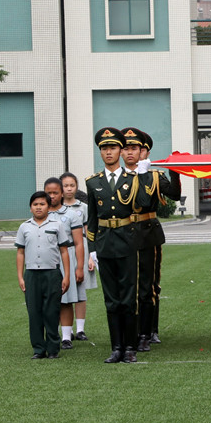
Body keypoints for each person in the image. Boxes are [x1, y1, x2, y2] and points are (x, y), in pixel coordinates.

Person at [86, 127, 148, 363]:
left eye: (112, 148)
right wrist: (92, 250)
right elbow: (92, 219)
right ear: (100, 152)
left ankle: (130, 347)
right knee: (111, 299)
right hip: (104, 244)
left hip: (127, 242)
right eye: (104, 148)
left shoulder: (132, 179)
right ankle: (116, 347)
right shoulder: (93, 182)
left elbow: (143, 203)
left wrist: (143, 176)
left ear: (120, 151)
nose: (108, 152)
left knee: (128, 298)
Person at [120, 127, 182, 350]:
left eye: (135, 148)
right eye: (126, 148)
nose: (130, 152)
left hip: (148, 233)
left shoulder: (154, 175)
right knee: (128, 285)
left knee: (149, 286)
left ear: (143, 152)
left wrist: (174, 170)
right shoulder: (116, 176)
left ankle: (149, 330)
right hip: (124, 234)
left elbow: (174, 194)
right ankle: (132, 330)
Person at [15, 191, 71, 359]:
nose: (38, 207)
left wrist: (66, 276)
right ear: (30, 208)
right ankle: (38, 349)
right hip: (31, 274)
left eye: (42, 204)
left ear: (48, 207)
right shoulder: (24, 227)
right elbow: (20, 253)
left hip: (52, 273)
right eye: (35, 204)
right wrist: (20, 277)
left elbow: (64, 251)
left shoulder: (57, 225)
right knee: (34, 312)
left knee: (52, 311)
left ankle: (53, 348)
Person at [44, 177, 86, 349]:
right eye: (48, 193)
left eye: (55, 193)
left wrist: (80, 267)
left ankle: (67, 337)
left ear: (61, 193)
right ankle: (51, 334)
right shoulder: (41, 213)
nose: (52, 196)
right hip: (47, 260)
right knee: (48, 300)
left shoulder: (70, 215)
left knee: (66, 299)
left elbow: (78, 243)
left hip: (66, 258)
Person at [60, 172, 97, 340]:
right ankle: (66, 330)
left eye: (72, 185)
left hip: (81, 250)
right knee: (63, 292)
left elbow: (89, 232)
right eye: (66, 185)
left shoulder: (83, 207)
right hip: (63, 251)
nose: (69, 189)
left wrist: (90, 257)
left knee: (81, 291)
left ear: (76, 187)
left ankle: (80, 329)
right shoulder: (56, 208)